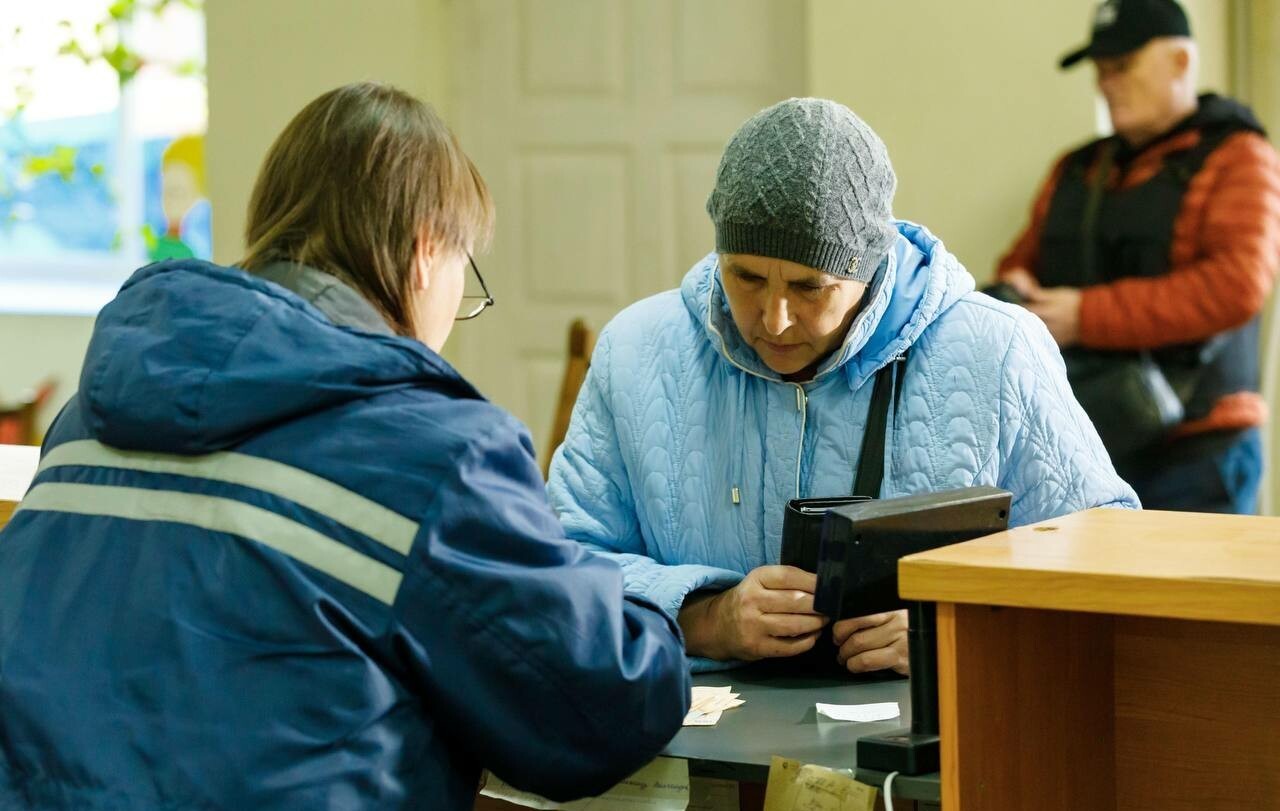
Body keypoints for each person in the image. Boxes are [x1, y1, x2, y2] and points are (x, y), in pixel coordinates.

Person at [0, 83, 690, 810]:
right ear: (426, 250)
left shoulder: (85, 422)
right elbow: (594, 711)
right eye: (465, 272)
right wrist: (651, 607)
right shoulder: (430, 452)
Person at [547, 98, 1139, 678]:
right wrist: (705, 618)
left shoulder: (999, 349)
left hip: (936, 754)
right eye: (746, 277)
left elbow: (1105, 558)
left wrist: (952, 632)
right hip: (692, 750)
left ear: (870, 268)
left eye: (810, 288)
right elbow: (559, 564)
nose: (773, 319)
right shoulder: (636, 351)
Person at [995, 0, 1280, 513]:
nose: (1106, 84)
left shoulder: (1239, 158)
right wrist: (1015, 292)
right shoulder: (1075, 169)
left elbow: (1234, 288)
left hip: (1198, 452)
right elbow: (1020, 263)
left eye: (1122, 67)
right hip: (1083, 446)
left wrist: (1084, 317)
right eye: (1101, 71)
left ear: (1180, 62)